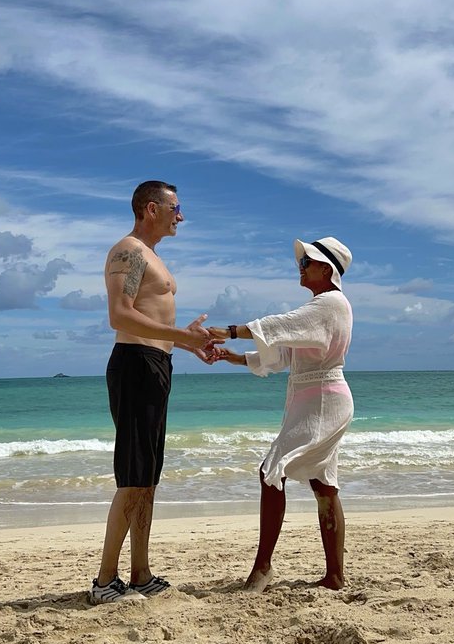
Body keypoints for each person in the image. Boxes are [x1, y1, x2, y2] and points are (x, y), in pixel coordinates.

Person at [90, 180, 214, 605]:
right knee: (133, 476)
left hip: (156, 365)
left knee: (147, 477)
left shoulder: (152, 256)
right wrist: (181, 336)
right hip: (135, 365)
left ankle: (140, 574)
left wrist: (188, 343)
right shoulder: (128, 251)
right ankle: (105, 581)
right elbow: (120, 315)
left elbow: (151, 321)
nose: (181, 216)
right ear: (150, 209)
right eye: (175, 208)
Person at [209, 237, 353, 592]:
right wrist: (234, 357)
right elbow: (287, 353)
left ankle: (263, 567)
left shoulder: (328, 304)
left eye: (306, 262)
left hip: (321, 399)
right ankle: (334, 576)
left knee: (271, 471)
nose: (299, 267)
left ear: (326, 270)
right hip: (320, 398)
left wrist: (230, 332)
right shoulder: (325, 308)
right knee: (323, 483)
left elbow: (279, 326)